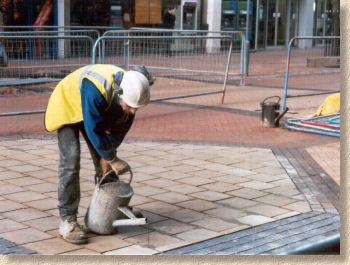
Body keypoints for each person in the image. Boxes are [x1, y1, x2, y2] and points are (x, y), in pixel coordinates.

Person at [44, 64, 153, 244]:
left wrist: (109, 157)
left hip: (89, 110)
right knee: (71, 162)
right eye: (131, 106)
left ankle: (113, 210)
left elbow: (118, 132)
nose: (133, 111)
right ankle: (68, 221)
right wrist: (109, 156)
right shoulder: (96, 88)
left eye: (136, 108)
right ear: (120, 94)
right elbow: (92, 127)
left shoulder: (131, 93)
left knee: (107, 162)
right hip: (66, 105)